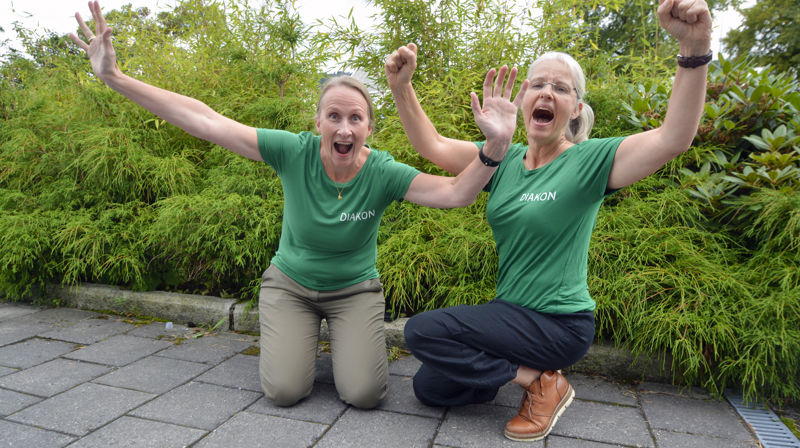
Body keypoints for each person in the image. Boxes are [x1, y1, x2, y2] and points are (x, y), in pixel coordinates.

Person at [69, 1, 528, 409]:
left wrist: (496, 147)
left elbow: (456, 193)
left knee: (365, 395)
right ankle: (300, 339)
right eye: (334, 116)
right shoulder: (295, 151)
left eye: (355, 118)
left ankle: (344, 345)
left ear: (369, 128)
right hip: (290, 287)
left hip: (355, 291)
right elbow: (205, 120)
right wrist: (114, 77)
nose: (344, 128)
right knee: (285, 392)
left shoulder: (383, 171)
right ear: (318, 122)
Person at [384, 0, 711, 440]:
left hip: (560, 323)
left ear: (575, 108)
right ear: (522, 101)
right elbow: (433, 145)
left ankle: (541, 382)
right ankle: (520, 371)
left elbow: (674, 138)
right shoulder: (503, 158)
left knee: (423, 331)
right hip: (510, 314)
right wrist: (401, 87)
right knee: (431, 387)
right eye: (537, 84)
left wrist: (694, 50)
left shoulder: (589, 162)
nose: (546, 93)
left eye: (560, 88)